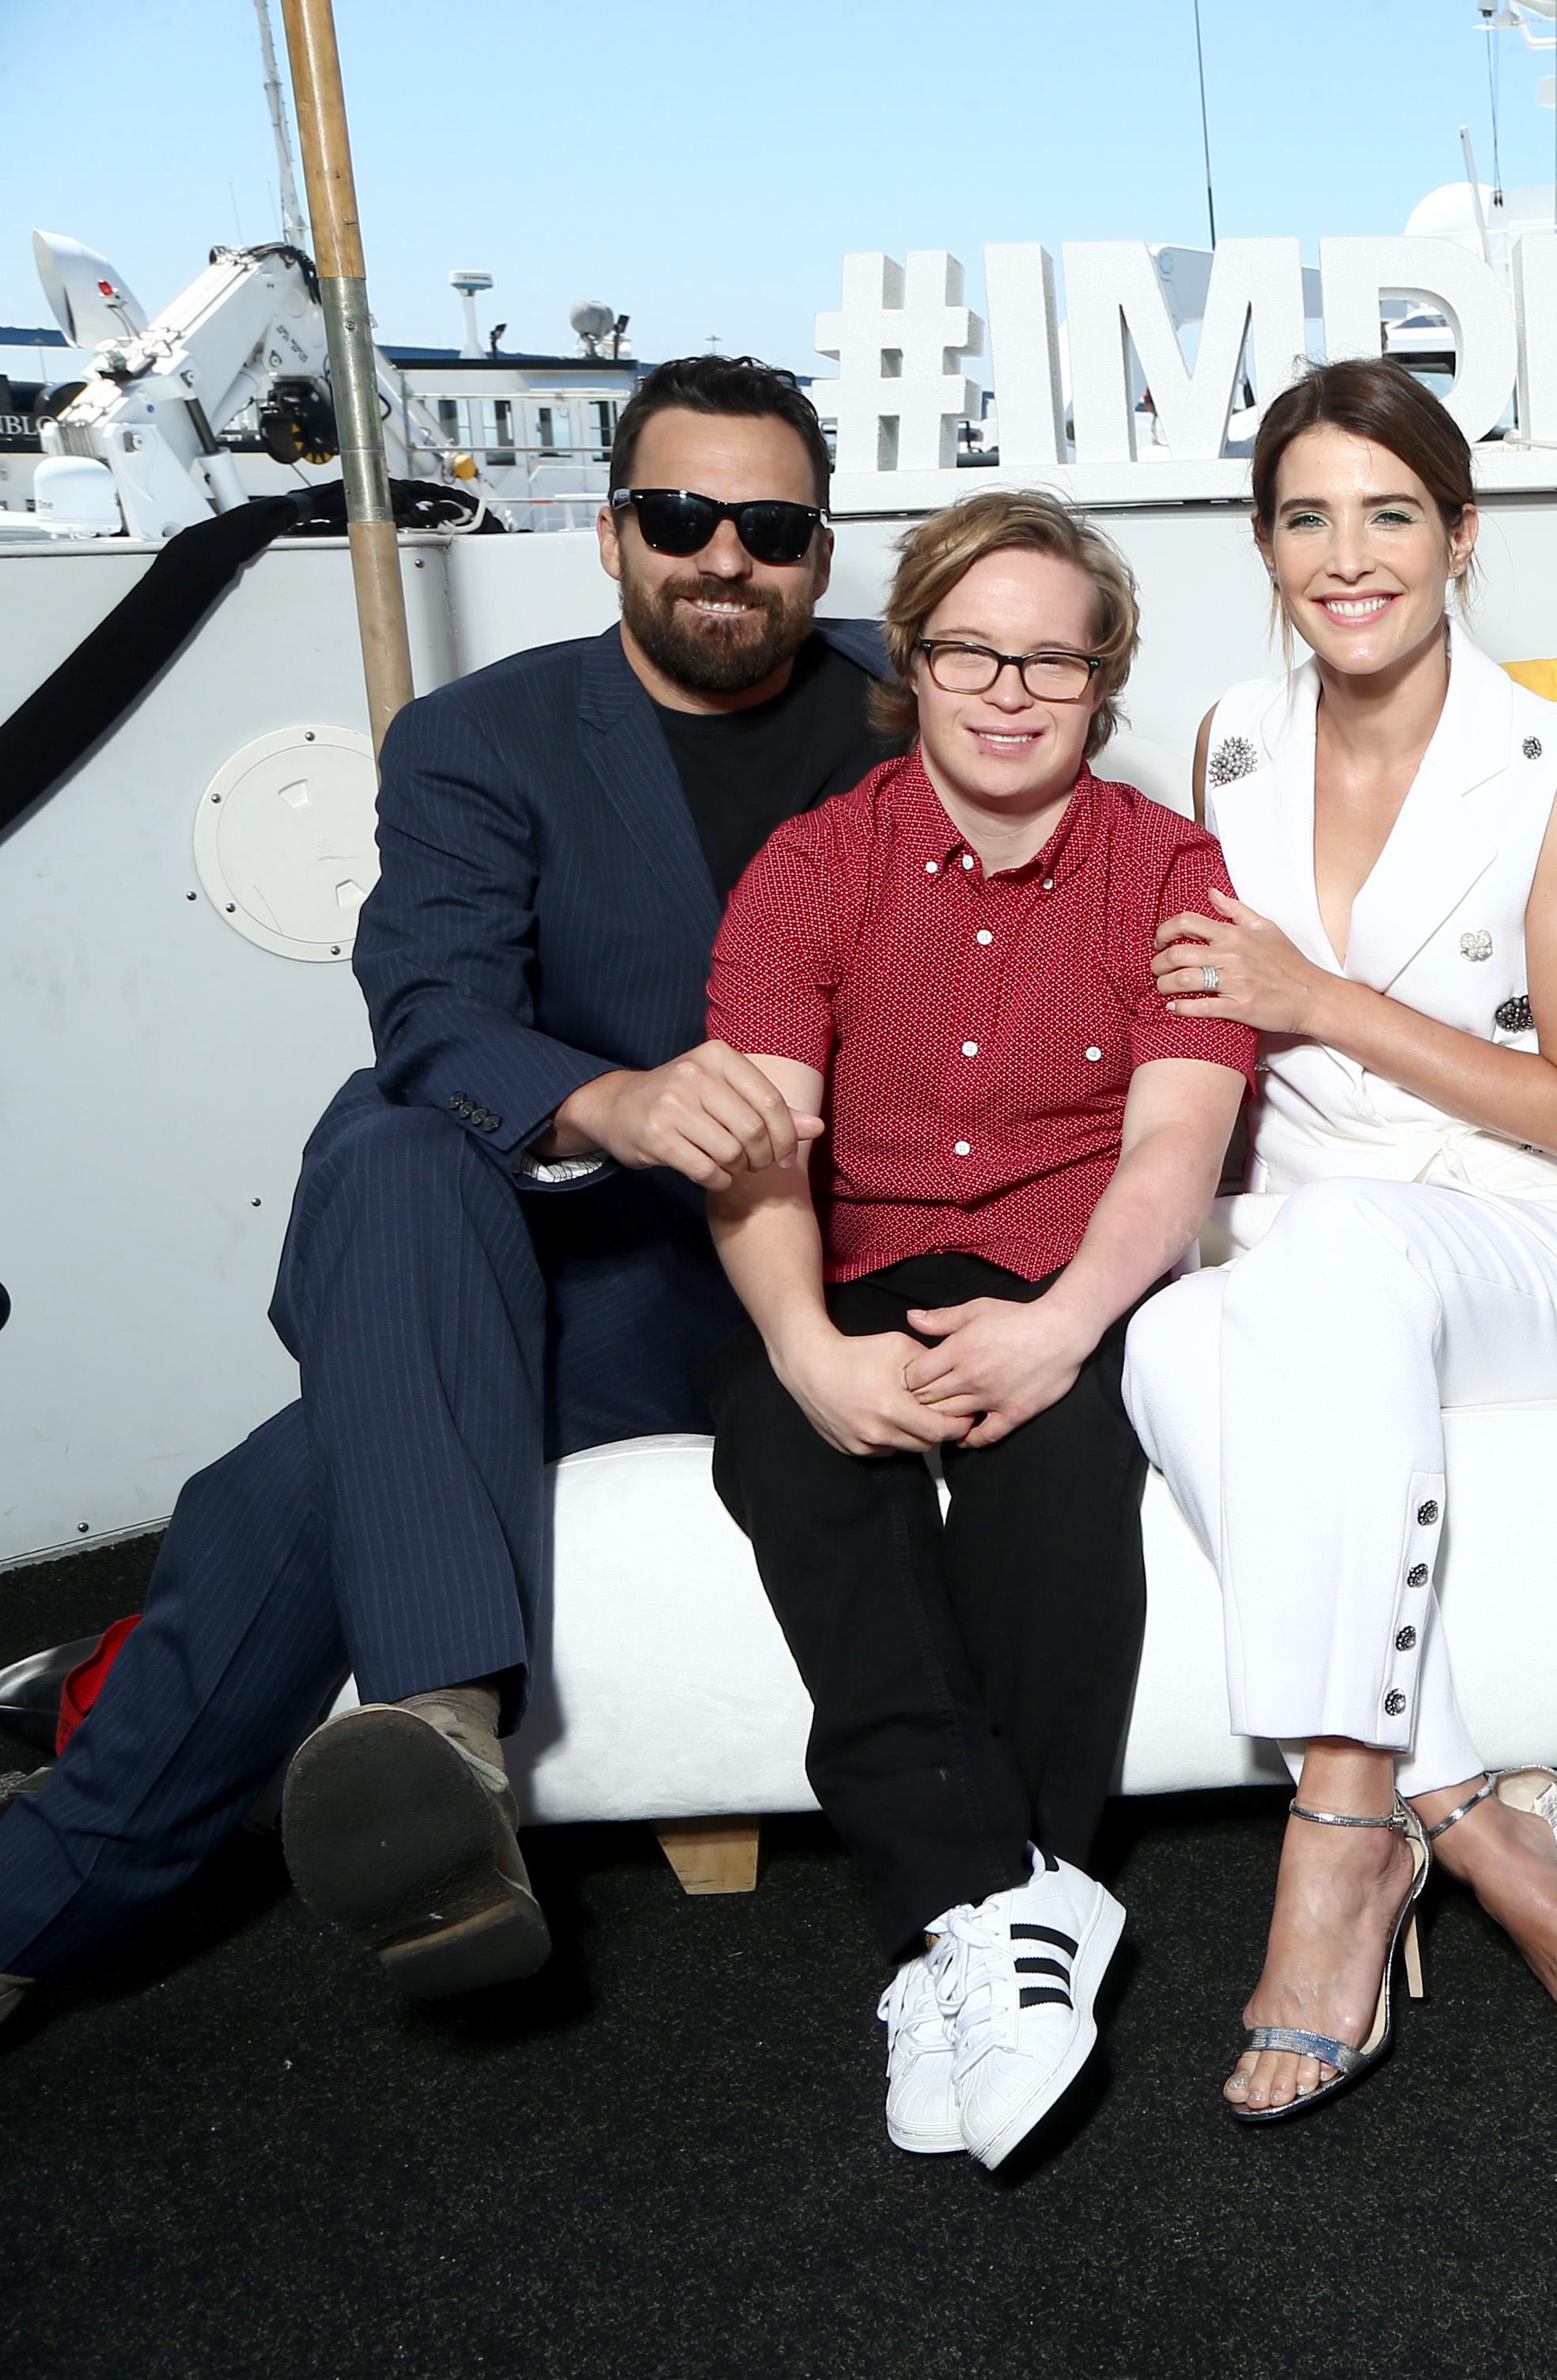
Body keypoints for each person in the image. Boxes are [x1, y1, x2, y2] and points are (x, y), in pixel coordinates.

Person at [0, 358, 897, 2035]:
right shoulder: (483, 737)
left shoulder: (918, 711)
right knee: (398, 1129)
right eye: (681, 515)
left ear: (821, 550)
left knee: (316, 1465)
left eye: (766, 525)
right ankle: (444, 1710)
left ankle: (65, 1845)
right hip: (582, 1258)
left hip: (815, 1264)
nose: (723, 555)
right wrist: (612, 1099)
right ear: (613, 530)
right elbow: (432, 1007)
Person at [1119, 359, 1557, 2125]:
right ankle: (1471, 1822)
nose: (1345, 555)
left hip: (1521, 1229)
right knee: (1162, 1339)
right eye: (1305, 516)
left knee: (1334, 1258)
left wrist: (1322, 1001)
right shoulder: (1231, 735)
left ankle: (1340, 1830)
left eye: (1387, 513)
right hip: (1296, 1229)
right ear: (1266, 544)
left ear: (1459, 537)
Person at [696, 488, 1253, 2162]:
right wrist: (805, 1347)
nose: (1009, 692)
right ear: (913, 662)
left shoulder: (1171, 865)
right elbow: (762, 1141)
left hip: (1065, 1255)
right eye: (970, 653)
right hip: (854, 1252)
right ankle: (996, 1910)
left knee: (1062, 1462)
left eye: (1054, 663)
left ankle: (988, 1925)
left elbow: (1175, 1141)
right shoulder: (815, 863)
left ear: (1104, 681)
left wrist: (1071, 1322)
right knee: (785, 1452)